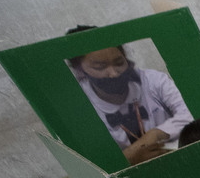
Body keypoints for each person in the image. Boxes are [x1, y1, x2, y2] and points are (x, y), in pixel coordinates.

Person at [67, 25, 193, 165]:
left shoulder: (153, 80)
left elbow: (191, 111)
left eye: (119, 63)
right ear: (80, 71)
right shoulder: (79, 107)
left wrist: (156, 133)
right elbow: (89, 162)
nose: (114, 73)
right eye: (100, 67)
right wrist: (126, 160)